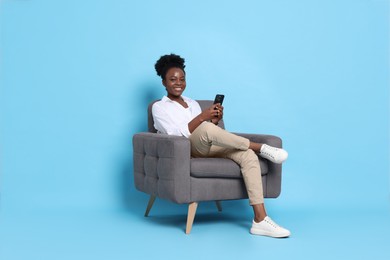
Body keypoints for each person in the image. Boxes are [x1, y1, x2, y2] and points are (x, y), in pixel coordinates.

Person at [152, 54, 291, 238]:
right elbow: (175, 135)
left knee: (247, 155)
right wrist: (203, 118)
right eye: (173, 79)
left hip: (207, 144)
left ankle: (260, 219)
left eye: (182, 79)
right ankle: (261, 148)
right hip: (185, 150)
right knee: (208, 128)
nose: (178, 83)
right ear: (163, 82)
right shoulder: (159, 107)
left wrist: (215, 121)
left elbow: (208, 131)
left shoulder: (192, 103)